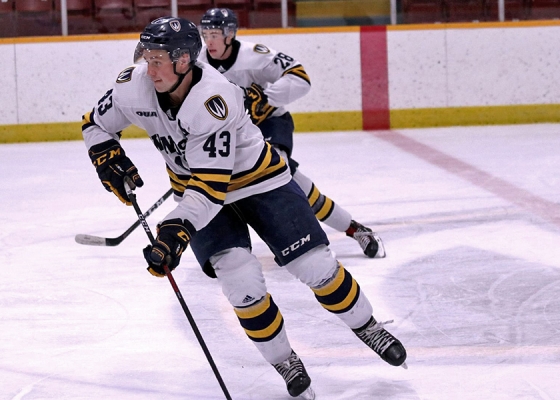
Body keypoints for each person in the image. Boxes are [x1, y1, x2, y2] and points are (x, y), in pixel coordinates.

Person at [83, 17, 406, 399]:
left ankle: (367, 326)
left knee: (315, 266)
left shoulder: (214, 99)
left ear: (184, 60)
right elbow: (94, 123)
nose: (149, 70)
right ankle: (284, 360)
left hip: (259, 183)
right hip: (198, 192)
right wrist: (106, 154)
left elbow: (210, 186)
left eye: (158, 61)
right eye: (147, 59)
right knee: (240, 284)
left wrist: (175, 230)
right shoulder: (133, 85)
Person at [197, 8, 386, 259]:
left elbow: (299, 76)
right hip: (233, 132)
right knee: (289, 182)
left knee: (277, 176)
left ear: (230, 34)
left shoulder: (254, 56)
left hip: (269, 124)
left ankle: (301, 235)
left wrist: (266, 100)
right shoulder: (198, 63)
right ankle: (353, 228)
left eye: (215, 35)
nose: (209, 41)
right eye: (205, 35)